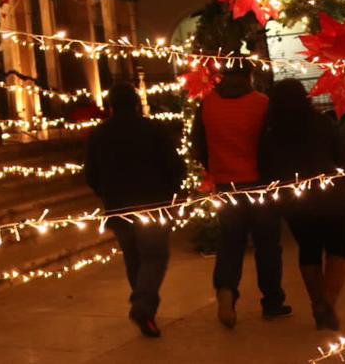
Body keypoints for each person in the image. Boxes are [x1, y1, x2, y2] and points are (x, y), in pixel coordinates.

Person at [192, 68, 291, 327]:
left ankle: (226, 293)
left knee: (230, 243)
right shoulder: (262, 103)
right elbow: (275, 142)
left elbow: (198, 144)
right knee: (267, 245)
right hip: (260, 185)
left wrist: (215, 168)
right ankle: (272, 302)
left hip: (226, 185)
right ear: (248, 77)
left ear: (223, 76)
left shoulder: (208, 104)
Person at [86, 83, 186, 338]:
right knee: (154, 257)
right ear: (136, 103)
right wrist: (171, 192)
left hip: (118, 206)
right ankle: (143, 306)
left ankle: (145, 310)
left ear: (110, 106)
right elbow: (175, 166)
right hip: (153, 204)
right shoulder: (153, 129)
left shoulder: (99, 134)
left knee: (134, 258)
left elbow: (91, 174)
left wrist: (106, 194)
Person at [259, 79, 345, 330]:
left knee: (309, 250)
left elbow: (266, 169)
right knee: (339, 248)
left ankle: (316, 303)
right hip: (331, 197)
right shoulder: (322, 123)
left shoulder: (270, 132)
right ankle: (328, 303)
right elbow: (344, 156)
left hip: (295, 201)